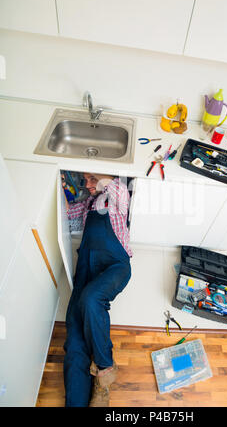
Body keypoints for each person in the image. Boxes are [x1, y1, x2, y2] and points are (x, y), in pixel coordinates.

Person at [63, 172, 132, 407]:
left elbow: (118, 188)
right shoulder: (86, 206)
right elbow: (63, 215)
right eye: (85, 180)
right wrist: (61, 188)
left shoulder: (114, 200)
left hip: (115, 266)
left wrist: (96, 171)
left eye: (92, 179)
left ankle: (105, 371)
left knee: (92, 299)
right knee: (73, 340)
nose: (88, 185)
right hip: (85, 273)